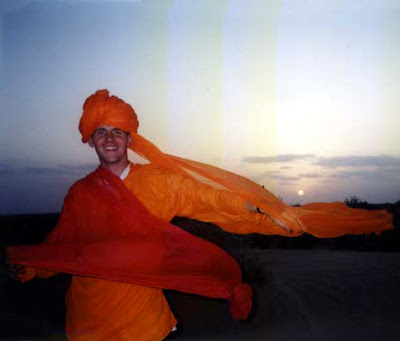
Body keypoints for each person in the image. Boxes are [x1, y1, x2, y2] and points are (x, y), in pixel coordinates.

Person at [7, 90, 392, 340]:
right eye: (101, 131)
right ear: (90, 139)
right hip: (85, 325)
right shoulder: (79, 194)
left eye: (118, 132)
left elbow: (209, 199)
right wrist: (31, 266)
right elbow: (62, 246)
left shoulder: (158, 181)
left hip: (145, 326)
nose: (109, 138)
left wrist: (255, 208)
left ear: (130, 139)